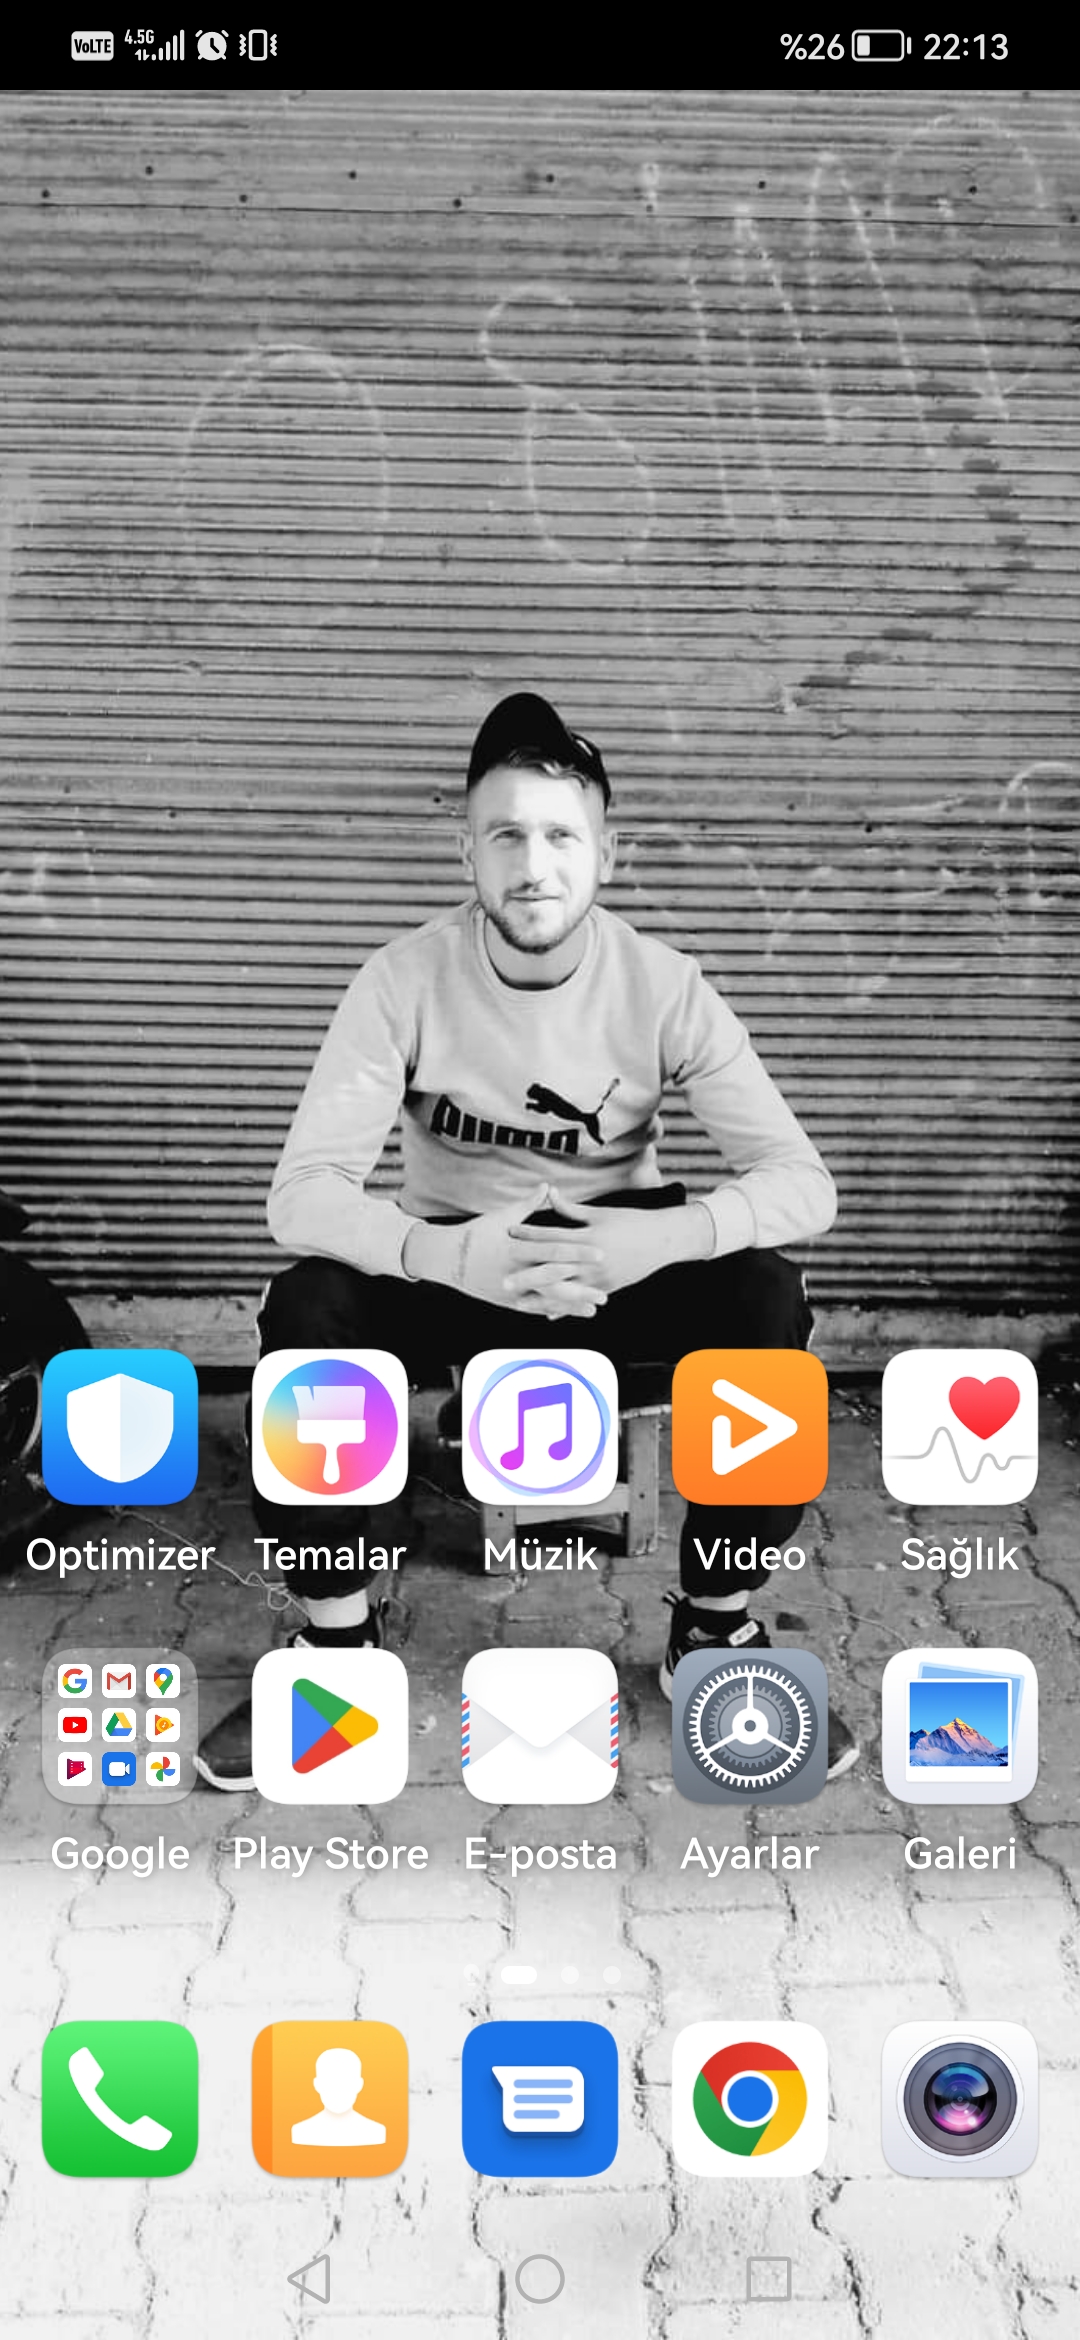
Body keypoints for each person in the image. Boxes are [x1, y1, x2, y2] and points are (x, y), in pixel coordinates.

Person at [196, 691, 858, 1787]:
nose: (534, 865)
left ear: (607, 853)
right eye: (505, 835)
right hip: (453, 1263)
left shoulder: (664, 985)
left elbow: (804, 1185)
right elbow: (301, 1196)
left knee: (764, 1296)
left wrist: (663, 1239)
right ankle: (337, 1645)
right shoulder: (402, 981)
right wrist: (453, 1255)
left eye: (561, 836)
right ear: (467, 850)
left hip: (619, 1265)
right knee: (308, 1308)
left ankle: (715, 1626)